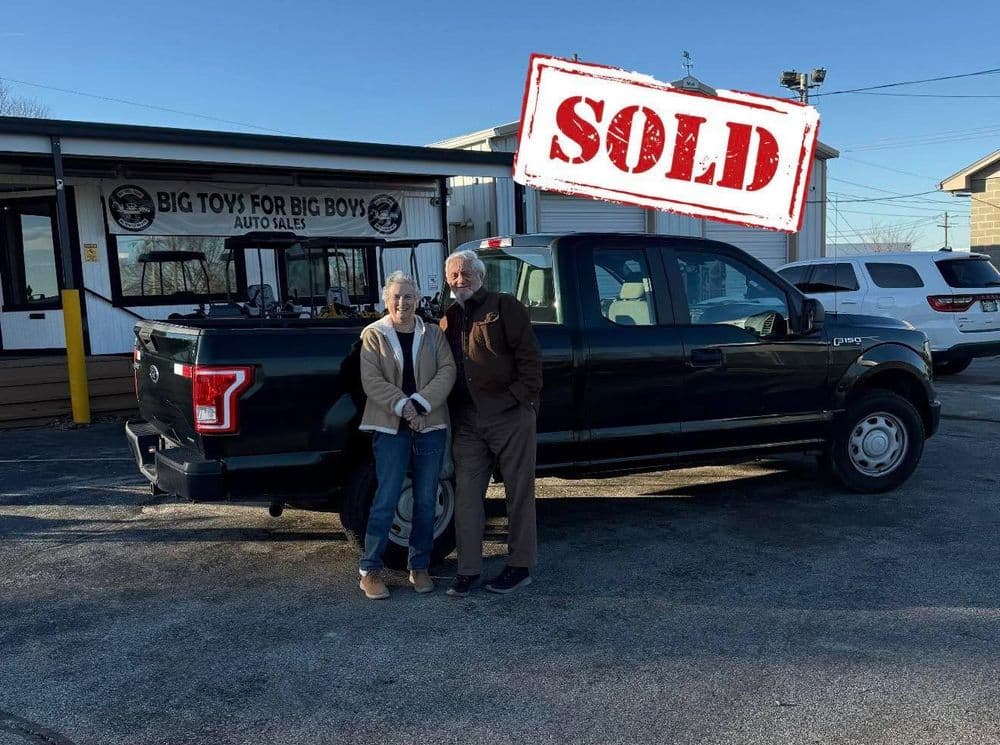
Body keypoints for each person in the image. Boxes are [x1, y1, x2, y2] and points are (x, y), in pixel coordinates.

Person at [440, 250, 543, 596]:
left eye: (466, 273)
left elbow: (530, 358)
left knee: (518, 494)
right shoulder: (449, 318)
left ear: (481, 277)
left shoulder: (504, 306)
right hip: (468, 422)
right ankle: (468, 570)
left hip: (509, 416)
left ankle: (519, 567)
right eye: (453, 275)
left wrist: (519, 399)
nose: (460, 280)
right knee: (467, 498)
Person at [357, 271, 456, 599]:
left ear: (418, 300)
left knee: (426, 500)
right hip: (390, 427)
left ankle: (420, 565)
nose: (403, 302)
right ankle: (370, 570)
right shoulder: (373, 335)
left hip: (430, 426)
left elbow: (448, 371)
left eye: (409, 296)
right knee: (386, 499)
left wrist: (421, 403)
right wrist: (403, 406)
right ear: (387, 300)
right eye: (396, 296)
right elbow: (371, 379)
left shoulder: (431, 334)